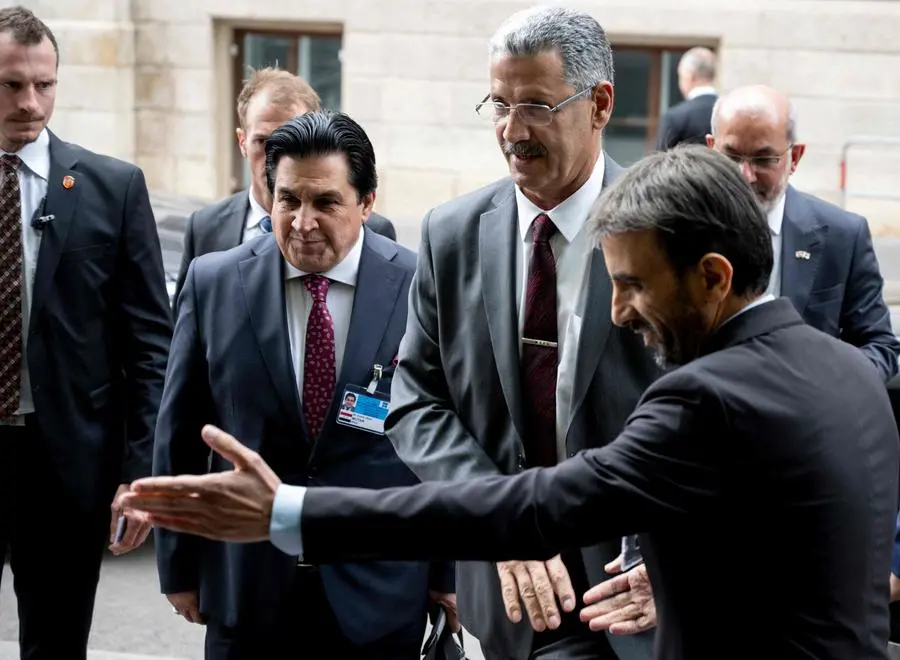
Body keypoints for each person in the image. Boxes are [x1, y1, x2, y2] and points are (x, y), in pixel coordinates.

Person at [121, 145, 900, 660]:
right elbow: (795, 543)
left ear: (714, 276)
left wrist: (287, 513)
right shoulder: (848, 369)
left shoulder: (704, 397)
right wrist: (672, 572)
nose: (621, 312)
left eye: (631, 285)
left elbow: (532, 508)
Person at [385, 6, 660, 658]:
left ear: (600, 104)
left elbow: (709, 418)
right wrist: (500, 522)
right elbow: (414, 402)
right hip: (503, 599)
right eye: (498, 104)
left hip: (631, 599)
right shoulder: (451, 234)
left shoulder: (660, 231)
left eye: (535, 105)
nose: (511, 130)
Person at [153, 110, 454, 660]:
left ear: (366, 202)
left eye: (326, 202)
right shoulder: (214, 281)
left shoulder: (417, 285)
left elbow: (448, 436)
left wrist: (448, 573)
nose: (302, 221)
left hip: (380, 593)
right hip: (247, 591)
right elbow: (178, 430)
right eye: (287, 199)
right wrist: (177, 564)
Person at [0, 6, 172, 659]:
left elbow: (150, 346)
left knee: (56, 642)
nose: (31, 101)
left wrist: (138, 475)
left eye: (44, 84)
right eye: (12, 84)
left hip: (65, 464)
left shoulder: (112, 187)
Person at [707, 84, 899, 382]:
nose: (745, 175)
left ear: (794, 157)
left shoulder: (842, 236)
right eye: (731, 156)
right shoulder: (677, 229)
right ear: (710, 149)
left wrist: (819, 391)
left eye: (763, 159)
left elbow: (880, 347)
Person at [172, 67, 396, 305]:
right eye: (262, 141)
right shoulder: (206, 228)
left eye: (291, 138)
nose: (275, 156)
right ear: (242, 141)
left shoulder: (373, 231)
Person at [655, 47, 717, 150]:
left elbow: (658, 161)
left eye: (680, 76)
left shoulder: (675, 116)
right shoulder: (729, 113)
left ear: (690, 74)